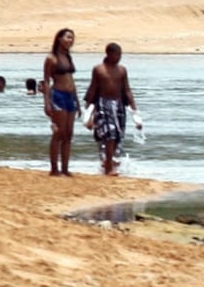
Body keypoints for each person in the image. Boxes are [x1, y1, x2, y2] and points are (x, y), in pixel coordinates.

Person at [86, 42, 136, 176]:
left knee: (118, 136)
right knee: (109, 135)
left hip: (119, 105)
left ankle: (108, 160)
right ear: (109, 54)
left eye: (120, 55)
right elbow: (93, 88)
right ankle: (108, 167)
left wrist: (133, 108)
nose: (119, 57)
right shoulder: (99, 69)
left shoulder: (122, 70)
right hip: (103, 104)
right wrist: (88, 112)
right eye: (116, 54)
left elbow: (126, 88)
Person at [41, 28, 79, 176]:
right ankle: (54, 168)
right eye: (68, 37)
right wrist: (47, 103)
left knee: (69, 134)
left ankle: (65, 168)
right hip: (58, 95)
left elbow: (71, 80)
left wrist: (77, 101)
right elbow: (46, 81)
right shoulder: (51, 58)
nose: (71, 41)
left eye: (72, 38)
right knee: (59, 133)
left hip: (70, 96)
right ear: (59, 39)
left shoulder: (68, 57)